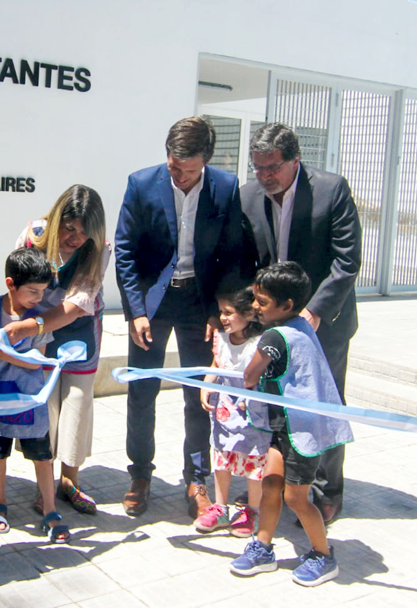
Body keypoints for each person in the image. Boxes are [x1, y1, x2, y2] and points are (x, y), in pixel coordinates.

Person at [115, 116, 247, 518]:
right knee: (142, 393)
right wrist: (135, 311)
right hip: (152, 306)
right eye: (174, 165)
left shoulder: (225, 188)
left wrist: (217, 312)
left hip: (198, 305)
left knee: (199, 396)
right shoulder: (141, 183)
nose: (180, 175)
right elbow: (125, 251)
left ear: (206, 161)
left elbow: (232, 253)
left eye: (189, 170)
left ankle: (196, 478)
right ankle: (140, 475)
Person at [239, 123, 361, 524]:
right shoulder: (248, 195)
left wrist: (316, 310)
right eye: (257, 168)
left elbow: (347, 262)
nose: (265, 176)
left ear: (296, 160)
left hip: (323, 324)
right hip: (273, 323)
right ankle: (280, 481)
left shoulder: (331, 190)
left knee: (321, 407)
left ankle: (327, 491)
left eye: (272, 167)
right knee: (277, 407)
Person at [229, 262, 353, 587]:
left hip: (300, 432)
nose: (255, 306)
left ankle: (323, 556)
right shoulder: (301, 324)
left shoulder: (275, 335)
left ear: (285, 305)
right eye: (256, 298)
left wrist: (243, 382)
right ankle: (263, 546)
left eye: (263, 301)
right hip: (286, 430)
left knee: (296, 498)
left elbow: (250, 375)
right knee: (271, 483)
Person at [0, 184, 109, 516]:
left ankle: (70, 481)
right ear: (58, 216)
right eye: (70, 227)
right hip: (36, 332)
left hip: (78, 331)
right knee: (46, 407)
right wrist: (19, 328)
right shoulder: (33, 235)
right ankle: (42, 487)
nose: (75, 237)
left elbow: (77, 304)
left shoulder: (100, 249)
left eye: (85, 232)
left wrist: (31, 327)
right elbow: (14, 284)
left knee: (76, 403)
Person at [0, 248, 70, 543]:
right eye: (32, 292)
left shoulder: (40, 319)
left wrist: (0, 352)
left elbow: (37, 361)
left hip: (30, 399)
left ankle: (50, 508)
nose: (38, 299)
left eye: (42, 291)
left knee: (41, 455)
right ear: (10, 283)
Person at [195, 285, 269, 537]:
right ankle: (220, 507)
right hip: (225, 409)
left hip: (252, 411)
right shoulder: (222, 339)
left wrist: (251, 397)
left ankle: (253, 511)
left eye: (228, 312)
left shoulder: (260, 343)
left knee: (253, 461)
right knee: (222, 457)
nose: (223, 317)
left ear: (249, 314)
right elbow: (217, 363)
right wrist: (206, 386)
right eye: (221, 311)